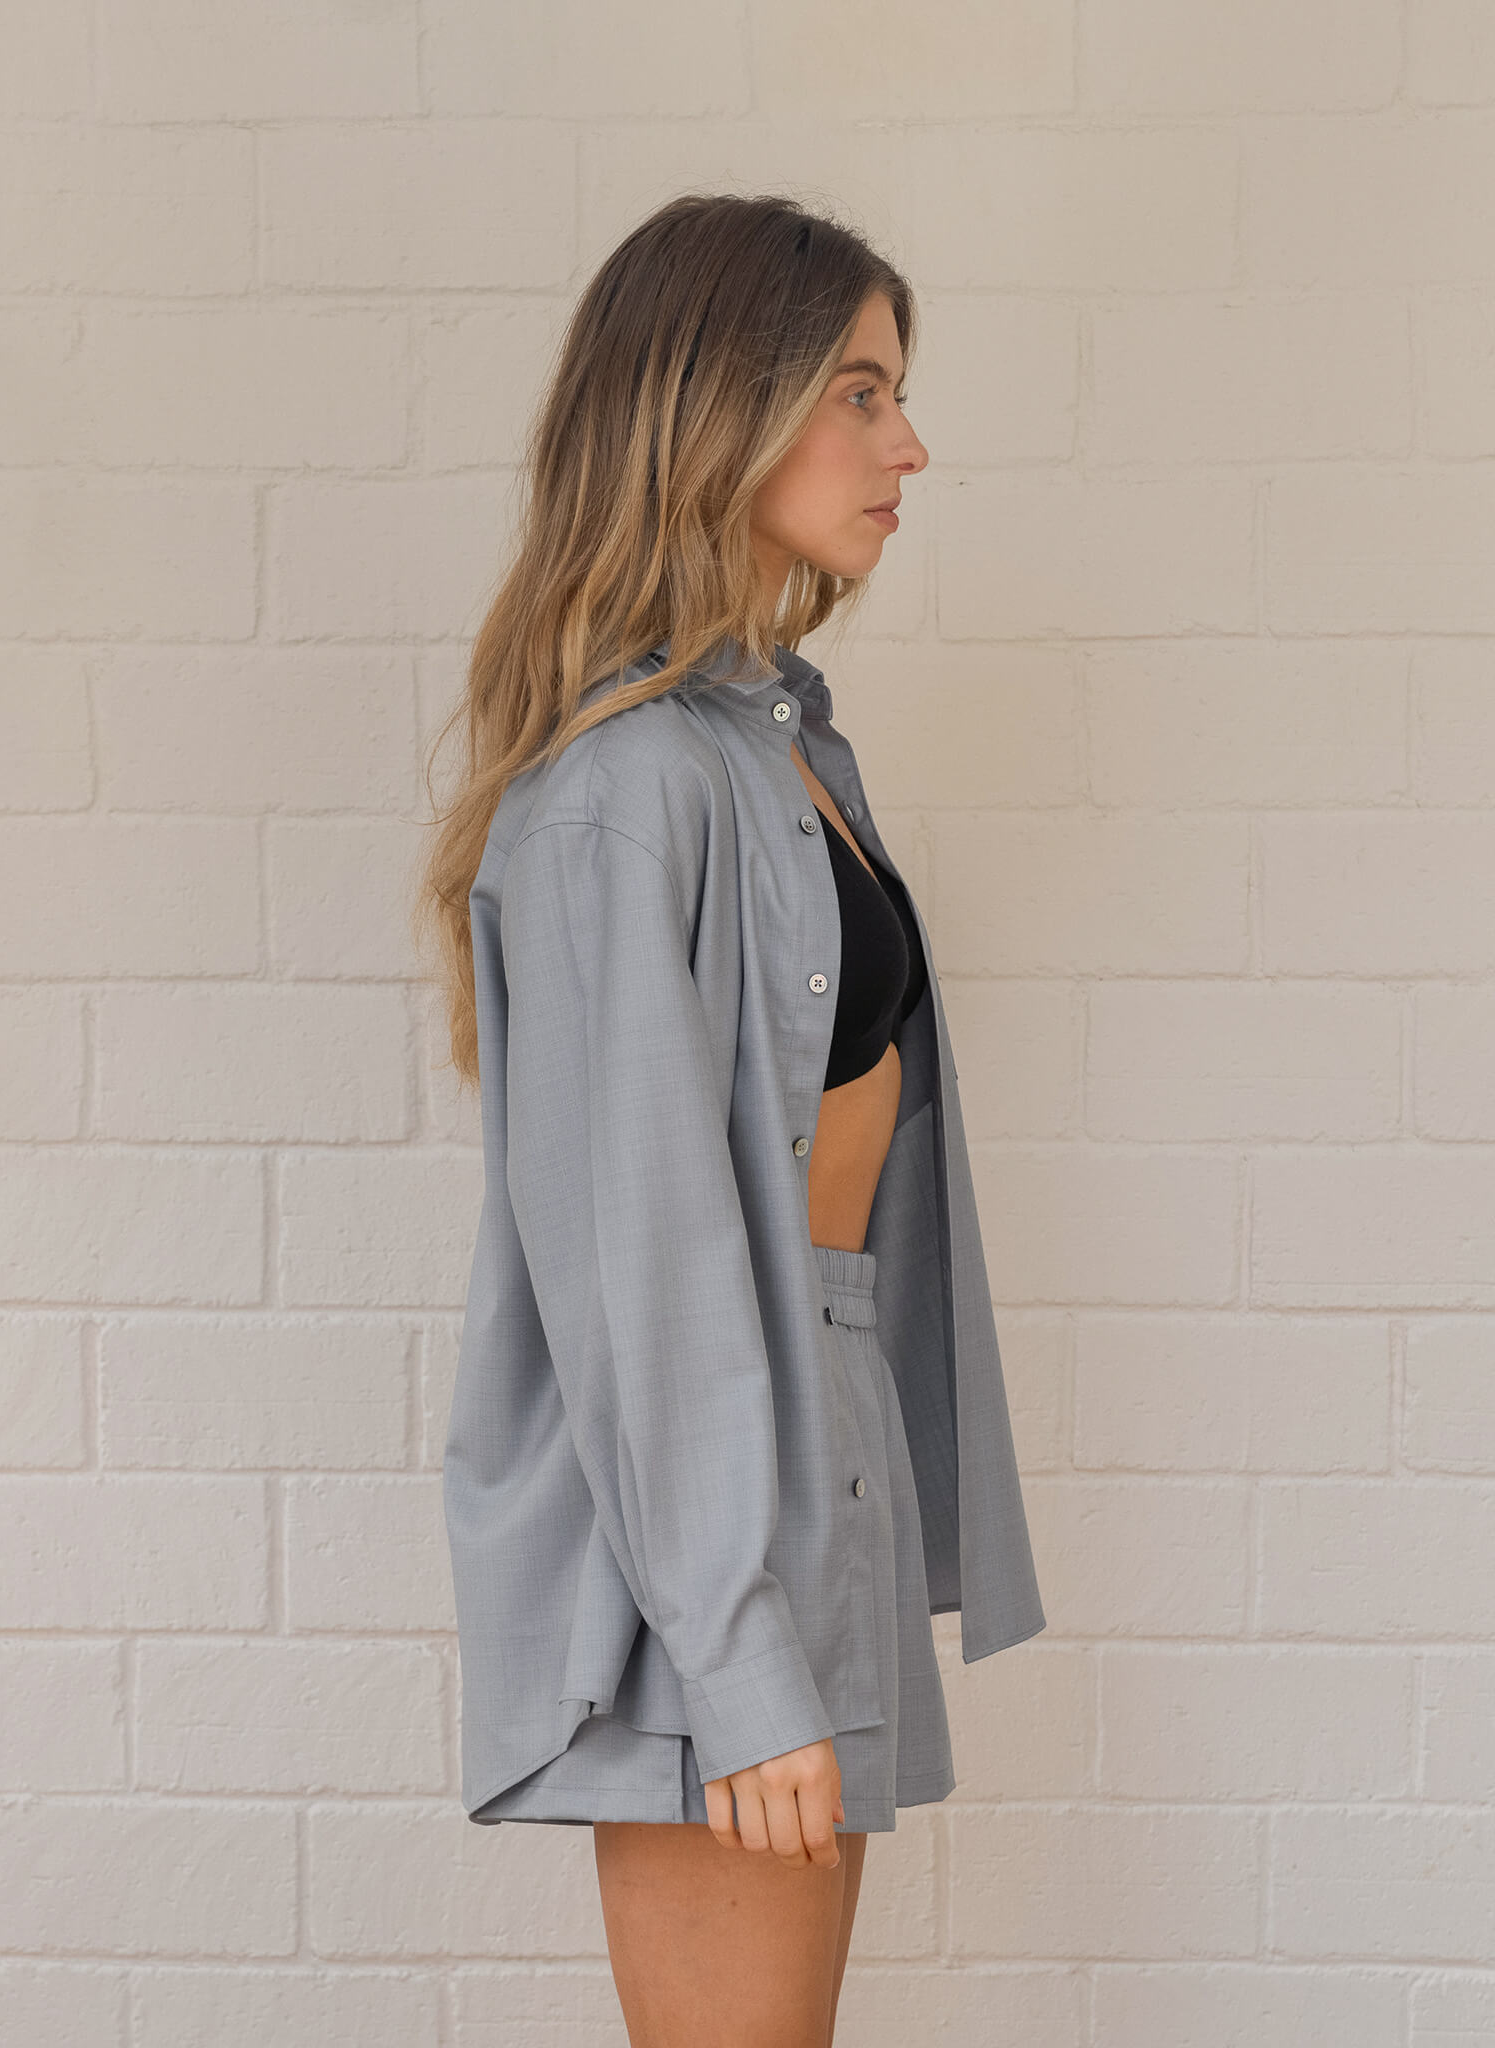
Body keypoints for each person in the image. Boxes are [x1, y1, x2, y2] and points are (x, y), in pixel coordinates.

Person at [416, 192, 1045, 2048]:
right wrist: (739, 1647)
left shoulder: (786, 750)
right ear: (719, 407)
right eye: (858, 391)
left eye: (899, 392)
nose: (905, 441)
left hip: (816, 1443)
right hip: (708, 1515)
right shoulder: (622, 795)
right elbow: (639, 1274)